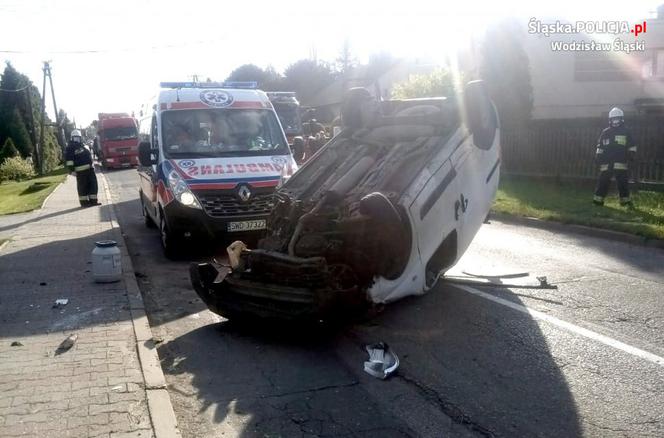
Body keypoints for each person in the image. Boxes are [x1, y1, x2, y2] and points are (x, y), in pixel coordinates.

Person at [593, 107, 636, 207]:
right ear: (610, 120)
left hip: (620, 162)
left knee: (622, 184)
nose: (615, 121)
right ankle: (597, 201)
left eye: (617, 118)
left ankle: (625, 202)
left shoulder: (626, 131)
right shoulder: (605, 132)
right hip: (606, 163)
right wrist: (598, 156)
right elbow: (600, 146)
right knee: (602, 183)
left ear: (621, 119)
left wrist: (631, 155)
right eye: (613, 119)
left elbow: (632, 145)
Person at [65, 129, 100, 207]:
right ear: (72, 138)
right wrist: (72, 170)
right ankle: (84, 203)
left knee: (93, 185)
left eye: (78, 137)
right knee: (82, 187)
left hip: (90, 170)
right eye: (75, 137)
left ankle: (93, 201)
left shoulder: (83, 145)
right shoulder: (70, 148)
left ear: (80, 137)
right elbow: (69, 161)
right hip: (80, 172)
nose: (76, 139)